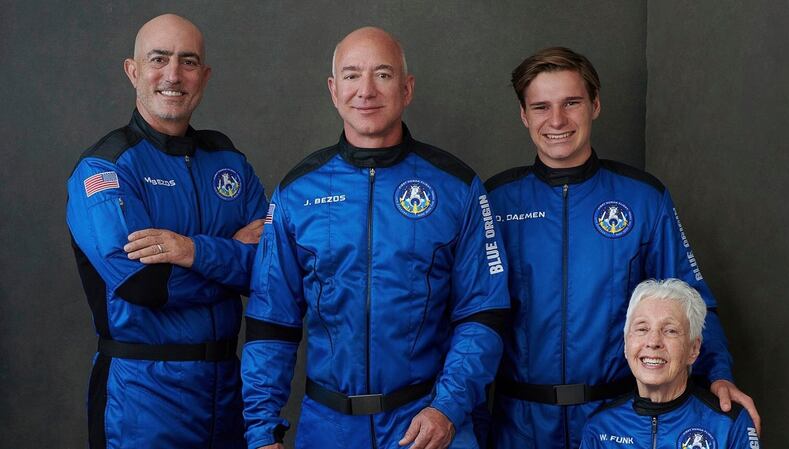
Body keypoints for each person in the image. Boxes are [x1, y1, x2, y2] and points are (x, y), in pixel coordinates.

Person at [241, 27, 510, 449]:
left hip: (426, 423)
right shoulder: (297, 193)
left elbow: (483, 313)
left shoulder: (457, 187)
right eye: (351, 75)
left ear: (407, 88)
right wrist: (261, 430)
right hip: (328, 428)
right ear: (334, 90)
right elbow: (271, 320)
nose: (365, 90)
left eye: (382, 74)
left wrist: (448, 408)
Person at [485, 47, 759, 449]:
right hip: (519, 424)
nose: (557, 120)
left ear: (595, 105)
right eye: (541, 106)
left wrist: (719, 374)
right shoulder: (495, 202)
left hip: (619, 421)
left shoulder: (642, 199)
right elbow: (468, 312)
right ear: (524, 115)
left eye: (571, 103)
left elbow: (692, 302)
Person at [66, 14, 267, 448]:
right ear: (132, 71)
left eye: (188, 62)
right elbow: (144, 285)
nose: (173, 75)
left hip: (228, 398)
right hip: (142, 400)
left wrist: (192, 251)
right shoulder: (105, 169)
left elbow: (271, 270)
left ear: (204, 76)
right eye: (158, 59)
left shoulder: (229, 162)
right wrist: (230, 255)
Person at [580, 279, 761, 449]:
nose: (653, 342)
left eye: (670, 331)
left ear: (693, 349)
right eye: (642, 329)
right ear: (626, 344)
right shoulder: (599, 428)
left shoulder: (729, 424)